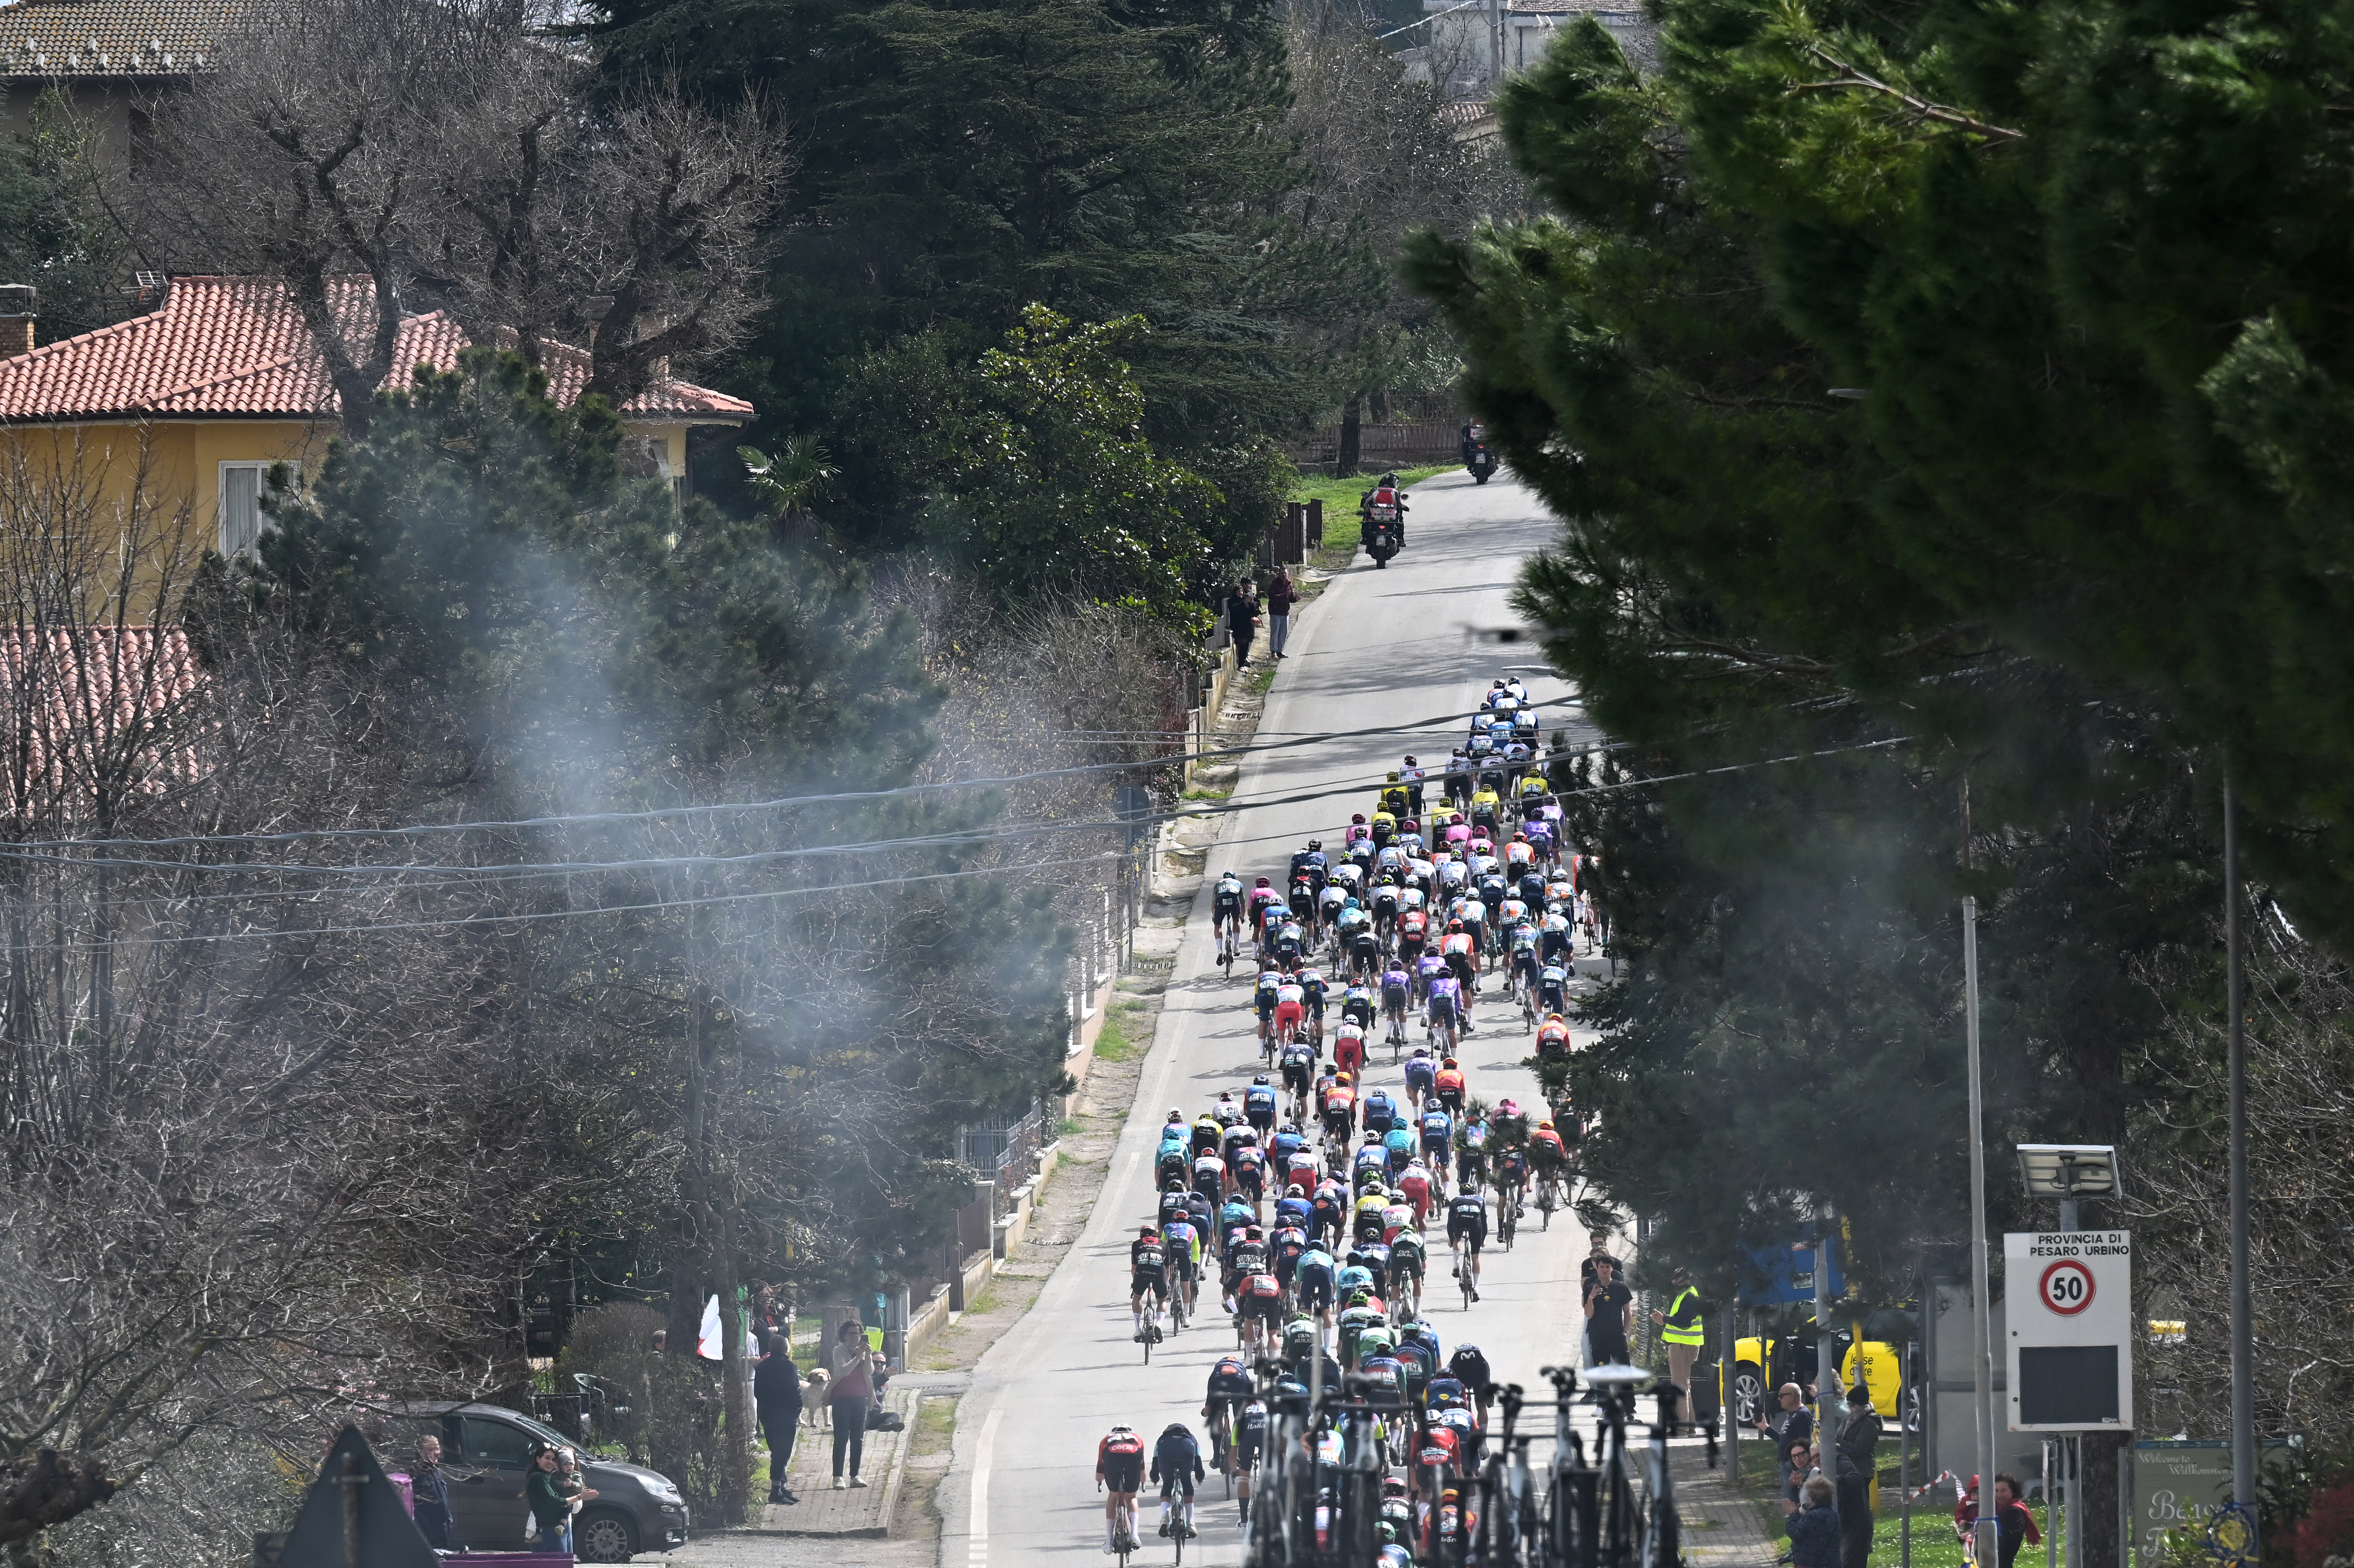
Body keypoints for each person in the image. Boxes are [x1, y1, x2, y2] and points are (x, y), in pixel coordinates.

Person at [828, 1319, 881, 1489]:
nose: (854, 1337)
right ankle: (838, 1476)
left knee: (858, 1438)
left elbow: (869, 1372)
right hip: (842, 1399)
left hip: (860, 1398)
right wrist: (858, 1357)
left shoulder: (863, 1351)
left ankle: (855, 1475)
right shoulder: (839, 1350)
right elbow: (843, 1371)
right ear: (844, 1335)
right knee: (841, 1438)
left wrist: (868, 1356)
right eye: (851, 1334)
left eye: (857, 1334)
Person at [754, 1331, 804, 1504]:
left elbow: (758, 1392)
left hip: (768, 1414)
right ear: (785, 1348)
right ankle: (776, 1491)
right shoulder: (789, 1367)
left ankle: (782, 1486)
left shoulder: (761, 1367)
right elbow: (795, 1391)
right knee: (782, 1453)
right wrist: (797, 1410)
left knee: (777, 1451)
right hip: (785, 1414)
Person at [524, 1442, 591, 1553]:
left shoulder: (548, 1477)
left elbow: (574, 1508)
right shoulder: (539, 1477)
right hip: (551, 1528)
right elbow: (556, 1502)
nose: (550, 1462)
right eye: (547, 1458)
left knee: (566, 1561)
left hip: (561, 1527)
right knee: (559, 1561)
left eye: (553, 1460)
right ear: (538, 1459)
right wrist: (579, 1497)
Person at [1651, 1266, 1705, 1400]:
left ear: (1685, 1279)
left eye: (1677, 1278)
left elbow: (1684, 1322)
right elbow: (1682, 1318)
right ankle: (1688, 1415)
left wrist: (1665, 1319)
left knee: (1679, 1388)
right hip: (1682, 1345)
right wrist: (1664, 1319)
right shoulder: (1685, 1295)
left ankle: (1681, 1415)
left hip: (1683, 1346)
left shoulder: (1689, 1296)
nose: (1673, 1281)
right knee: (1684, 1386)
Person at [1096, 1424, 1146, 1555]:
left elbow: (1101, 1464)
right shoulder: (1137, 1438)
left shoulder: (1107, 1439)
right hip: (1133, 1454)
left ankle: (1109, 1542)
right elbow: (1142, 1466)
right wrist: (1142, 1480)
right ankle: (1134, 1533)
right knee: (1131, 1496)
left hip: (1112, 1456)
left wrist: (1099, 1478)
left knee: (1113, 1496)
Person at [1758, 1382, 1815, 1493]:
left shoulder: (1803, 1415)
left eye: (1781, 1396)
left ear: (1792, 1396)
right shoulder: (1792, 1414)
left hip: (1793, 1464)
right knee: (1788, 1499)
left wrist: (1796, 1470)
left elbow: (1805, 1443)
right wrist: (1765, 1428)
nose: (1779, 1399)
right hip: (1786, 1463)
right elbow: (1785, 1440)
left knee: (1793, 1499)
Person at [1151, 1422, 1204, 1539]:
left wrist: (1154, 1477)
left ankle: (1165, 1518)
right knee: (1187, 1482)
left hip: (1166, 1451)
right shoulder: (1192, 1438)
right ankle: (1191, 1523)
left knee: (1167, 1484)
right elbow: (1198, 1459)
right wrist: (1200, 1476)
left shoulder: (1161, 1439)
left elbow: (1155, 1459)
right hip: (1187, 1449)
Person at [410, 1435, 461, 1550]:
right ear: (420, 1451)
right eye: (430, 1450)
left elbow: (443, 1496)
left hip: (442, 1530)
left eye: (437, 1448)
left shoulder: (436, 1469)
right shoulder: (415, 1472)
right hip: (425, 1532)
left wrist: (449, 1517)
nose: (436, 1453)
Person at [1583, 1255, 1634, 1365]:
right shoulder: (1590, 1288)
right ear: (1597, 1268)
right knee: (1601, 1372)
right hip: (1598, 1337)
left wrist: (1625, 1331)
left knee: (1625, 1371)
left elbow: (1627, 1311)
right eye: (1602, 1267)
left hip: (1617, 1336)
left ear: (1612, 1269)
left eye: (1607, 1267)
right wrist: (1591, 1297)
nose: (1605, 1270)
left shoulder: (1621, 1288)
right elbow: (1589, 1314)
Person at [1785, 1474, 1843, 1568]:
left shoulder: (1812, 1516)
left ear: (1812, 1498)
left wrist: (1793, 1515)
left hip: (1810, 1563)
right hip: (1832, 1563)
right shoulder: (1834, 1515)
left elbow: (1795, 1532)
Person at [1224, 582, 1260, 667]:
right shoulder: (1233, 601)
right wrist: (1244, 603)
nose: (1241, 593)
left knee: (1247, 644)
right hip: (1239, 626)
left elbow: (1252, 612)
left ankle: (1244, 661)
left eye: (1241, 591)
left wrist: (1252, 603)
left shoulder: (1245, 599)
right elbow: (1235, 610)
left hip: (1247, 626)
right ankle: (1241, 663)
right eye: (1239, 591)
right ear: (1235, 593)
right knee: (1242, 644)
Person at [1267, 569, 1296, 659]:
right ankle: (1274, 652)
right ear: (1279, 574)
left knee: (1283, 632)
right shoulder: (1274, 584)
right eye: (1282, 573)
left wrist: (1296, 599)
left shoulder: (1289, 584)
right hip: (1275, 612)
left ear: (1288, 574)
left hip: (1285, 613)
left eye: (1285, 573)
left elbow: (1291, 598)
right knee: (1275, 632)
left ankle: (1280, 651)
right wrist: (1284, 595)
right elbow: (1272, 597)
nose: (1284, 575)